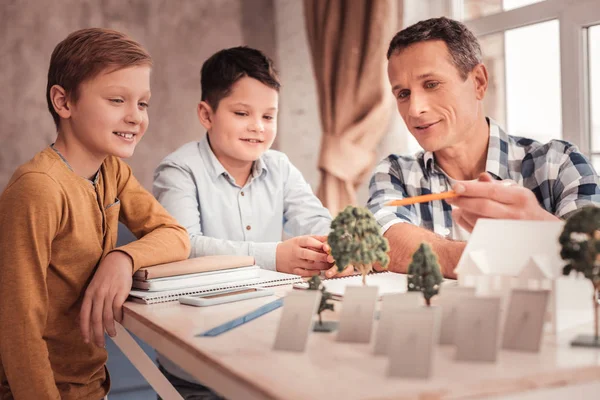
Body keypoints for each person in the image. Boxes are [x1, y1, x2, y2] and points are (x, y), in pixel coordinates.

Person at [0, 28, 191, 399]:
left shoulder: (112, 171)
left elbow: (174, 234)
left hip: (91, 386)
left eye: (143, 103)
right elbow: (18, 328)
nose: (135, 117)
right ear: (64, 102)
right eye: (117, 100)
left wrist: (122, 257)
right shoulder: (38, 189)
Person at [153, 46, 351, 399]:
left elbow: (315, 218)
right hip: (196, 360)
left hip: (267, 349)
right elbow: (184, 246)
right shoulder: (179, 170)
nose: (258, 128)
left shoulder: (280, 166)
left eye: (269, 116)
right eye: (242, 113)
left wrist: (334, 241)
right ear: (206, 113)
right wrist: (274, 256)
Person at [367, 17, 600, 277]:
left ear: (478, 81)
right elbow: (381, 239)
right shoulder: (395, 172)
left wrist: (538, 227)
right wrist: (508, 255)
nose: (415, 109)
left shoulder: (560, 163)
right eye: (403, 94)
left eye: (431, 84)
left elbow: (596, 257)